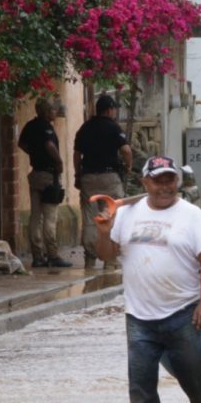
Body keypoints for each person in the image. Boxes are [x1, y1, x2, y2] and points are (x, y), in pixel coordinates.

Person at [93, 156, 201, 403]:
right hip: (139, 316)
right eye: (157, 180)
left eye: (169, 180)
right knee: (141, 384)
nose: (164, 187)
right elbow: (106, 255)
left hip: (184, 313)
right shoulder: (125, 212)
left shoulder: (192, 215)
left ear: (177, 182)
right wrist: (104, 232)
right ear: (144, 182)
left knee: (196, 380)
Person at [75, 94, 133, 271]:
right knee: (112, 216)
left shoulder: (85, 127)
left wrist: (78, 174)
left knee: (89, 218)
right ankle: (110, 259)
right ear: (109, 110)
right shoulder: (114, 128)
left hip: (88, 178)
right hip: (109, 178)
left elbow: (77, 154)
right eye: (114, 109)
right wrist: (129, 166)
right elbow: (126, 150)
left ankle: (90, 259)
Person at [18, 97, 72, 268]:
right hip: (49, 175)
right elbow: (49, 145)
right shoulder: (46, 127)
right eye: (53, 109)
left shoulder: (30, 125)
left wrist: (35, 154)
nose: (55, 112)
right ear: (46, 111)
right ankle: (53, 255)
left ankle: (37, 256)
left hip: (35, 173)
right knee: (50, 217)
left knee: (35, 216)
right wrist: (59, 161)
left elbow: (22, 144)